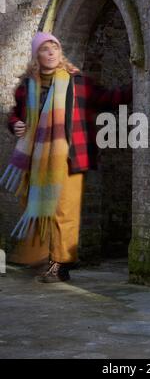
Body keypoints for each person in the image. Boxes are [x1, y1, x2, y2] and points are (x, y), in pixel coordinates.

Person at [0, 31, 132, 283]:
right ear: (36, 55)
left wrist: (140, 80)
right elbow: (15, 115)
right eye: (45, 49)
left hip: (68, 157)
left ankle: (61, 264)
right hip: (34, 160)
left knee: (64, 211)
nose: (51, 53)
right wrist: (15, 123)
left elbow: (109, 98)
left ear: (60, 54)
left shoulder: (78, 82)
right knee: (36, 207)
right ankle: (45, 256)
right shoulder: (26, 87)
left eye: (55, 48)